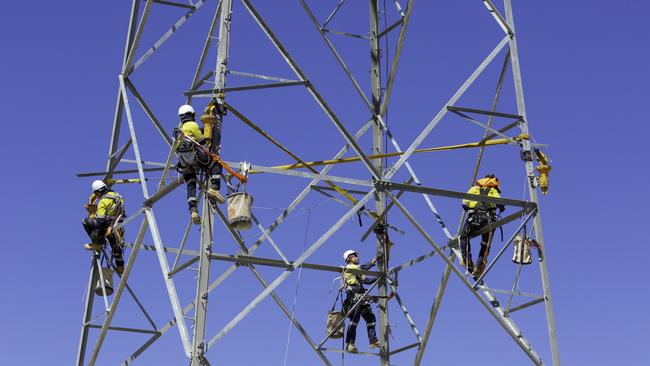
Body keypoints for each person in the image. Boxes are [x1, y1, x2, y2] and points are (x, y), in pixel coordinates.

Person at [175, 104, 225, 225]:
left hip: (184, 162)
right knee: (216, 164)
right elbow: (202, 139)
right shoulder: (192, 125)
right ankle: (215, 189)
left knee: (191, 184)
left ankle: (193, 210)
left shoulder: (177, 130)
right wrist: (208, 129)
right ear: (191, 115)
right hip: (195, 157)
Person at [460, 174, 505, 278]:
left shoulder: (474, 189)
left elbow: (464, 204)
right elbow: (500, 204)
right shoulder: (493, 191)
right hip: (487, 222)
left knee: (463, 237)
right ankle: (480, 265)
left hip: (473, 220)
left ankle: (467, 260)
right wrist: (501, 208)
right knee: (485, 244)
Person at [82, 180, 126, 273]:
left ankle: (97, 243)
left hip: (107, 225)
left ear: (98, 191)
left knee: (86, 221)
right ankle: (120, 266)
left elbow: (100, 221)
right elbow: (120, 210)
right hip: (118, 225)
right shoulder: (117, 195)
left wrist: (94, 214)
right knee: (115, 246)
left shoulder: (103, 202)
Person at [341, 249, 381, 353]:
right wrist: (379, 276)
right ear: (349, 258)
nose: (357, 257)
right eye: (354, 256)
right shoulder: (351, 268)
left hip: (360, 298)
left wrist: (373, 261)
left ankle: (372, 341)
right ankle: (351, 344)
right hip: (355, 299)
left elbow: (363, 268)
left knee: (369, 319)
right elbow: (366, 280)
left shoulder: (353, 268)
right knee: (356, 320)